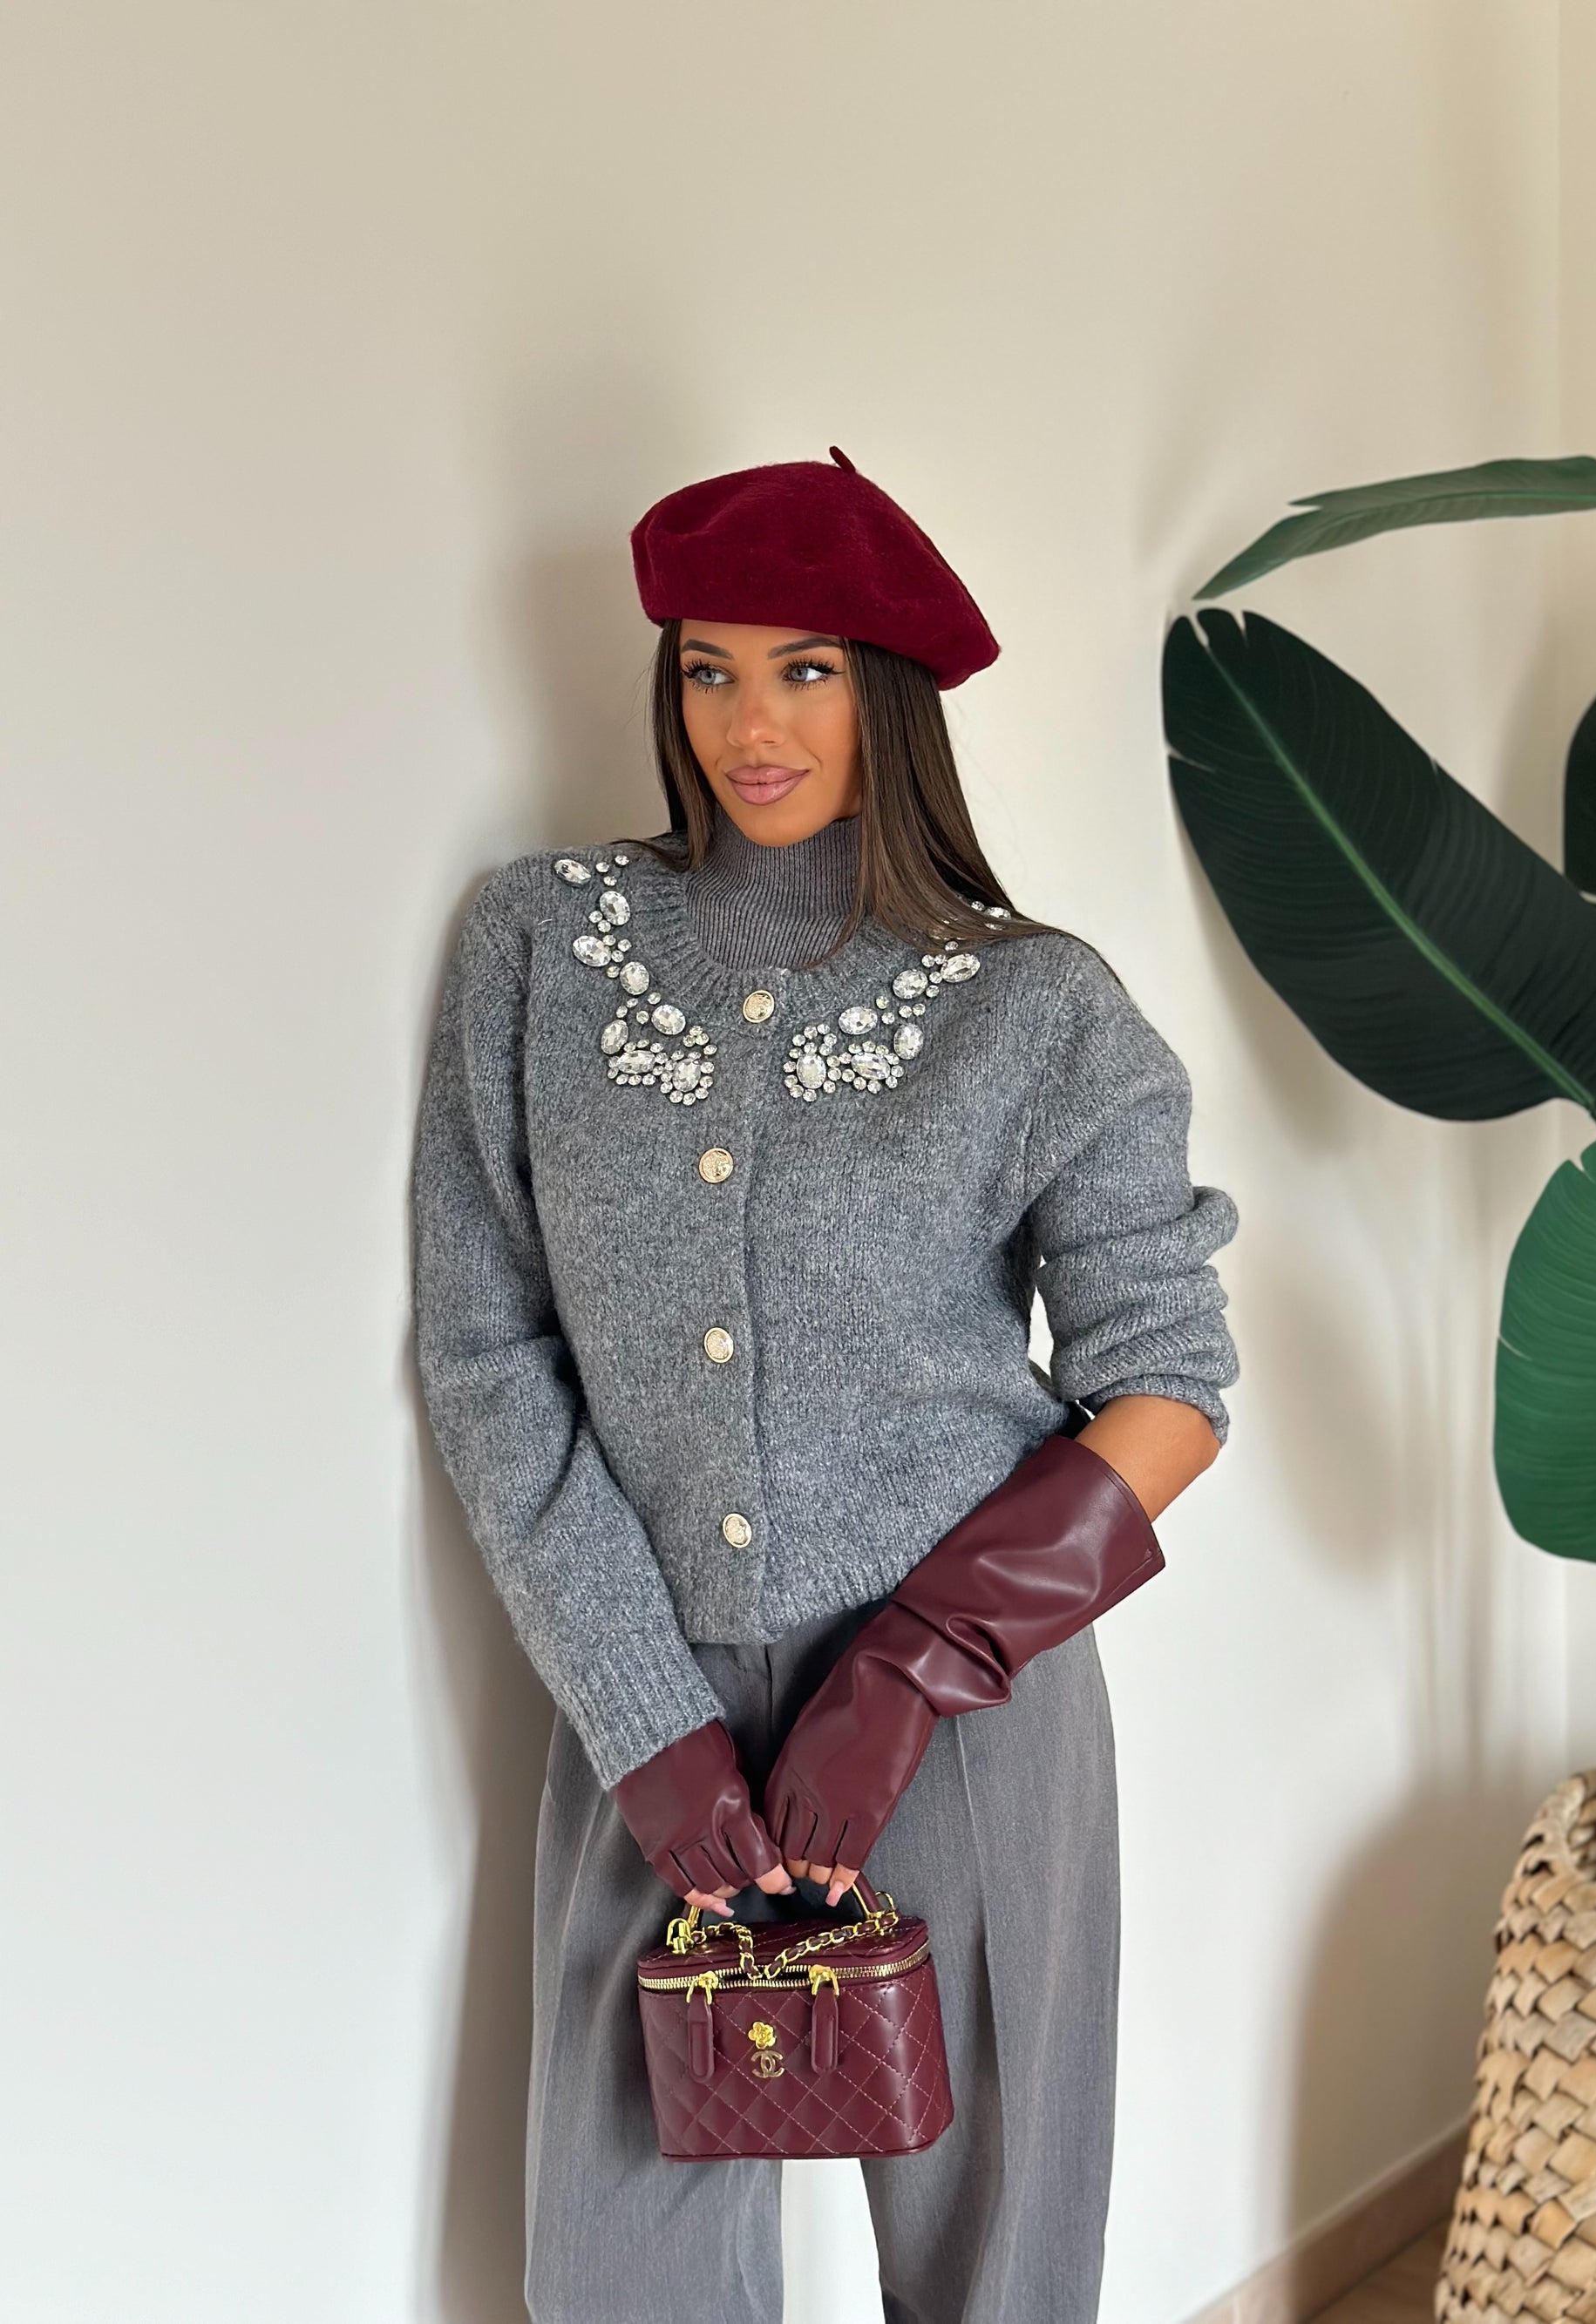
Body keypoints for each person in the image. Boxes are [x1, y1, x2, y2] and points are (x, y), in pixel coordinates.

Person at [411, 445, 1239, 2324]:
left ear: (893, 692)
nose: (750, 724)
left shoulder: (1036, 1004)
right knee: (620, 2274)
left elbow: (1172, 1387)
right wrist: (648, 1725)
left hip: (971, 1711)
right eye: (708, 669)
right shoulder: (541, 946)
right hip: (649, 1707)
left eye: (805, 670)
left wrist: (909, 1674)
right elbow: (487, 1349)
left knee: (997, 2265)